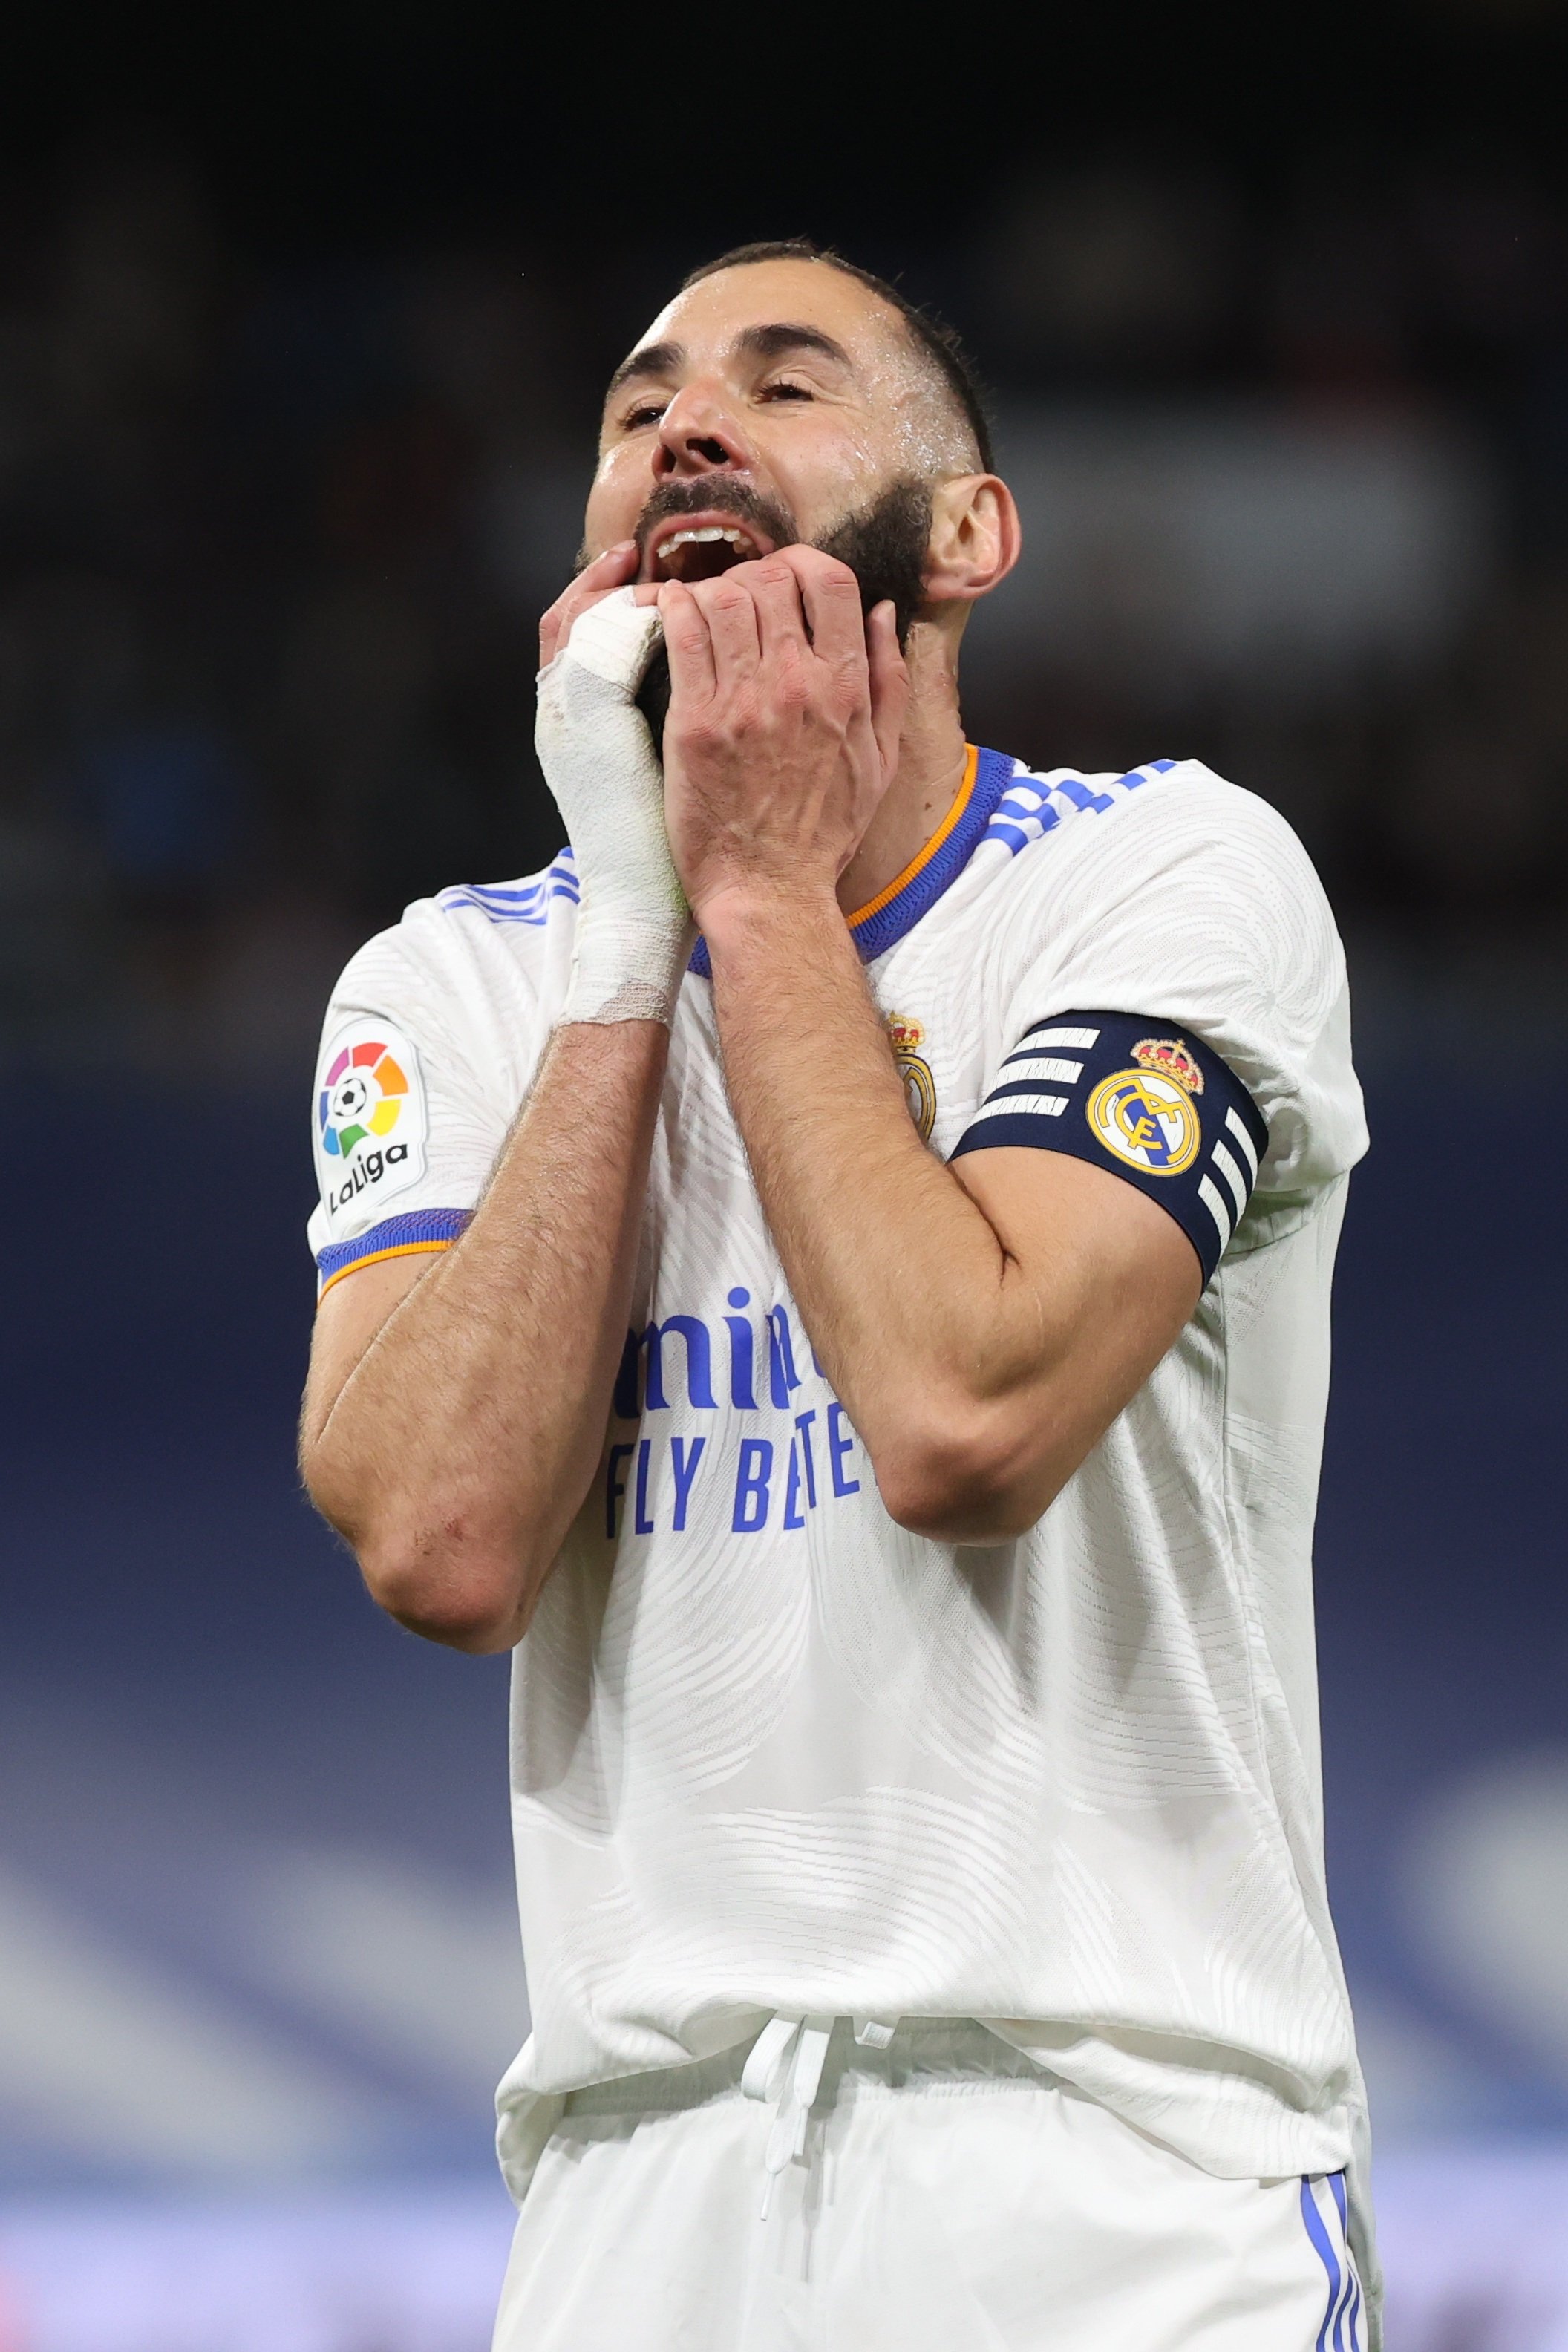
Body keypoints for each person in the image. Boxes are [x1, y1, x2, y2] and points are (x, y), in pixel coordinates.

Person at [299, 239, 1376, 2351]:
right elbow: (437, 1539)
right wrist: (636, 929)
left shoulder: (1161, 879)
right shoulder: (459, 980)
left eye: (787, 385)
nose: (687, 422)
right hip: (640, 2196)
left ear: (967, 534)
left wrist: (763, 891)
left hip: (1121, 2188)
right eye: (639, 408)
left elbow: (961, 1424)